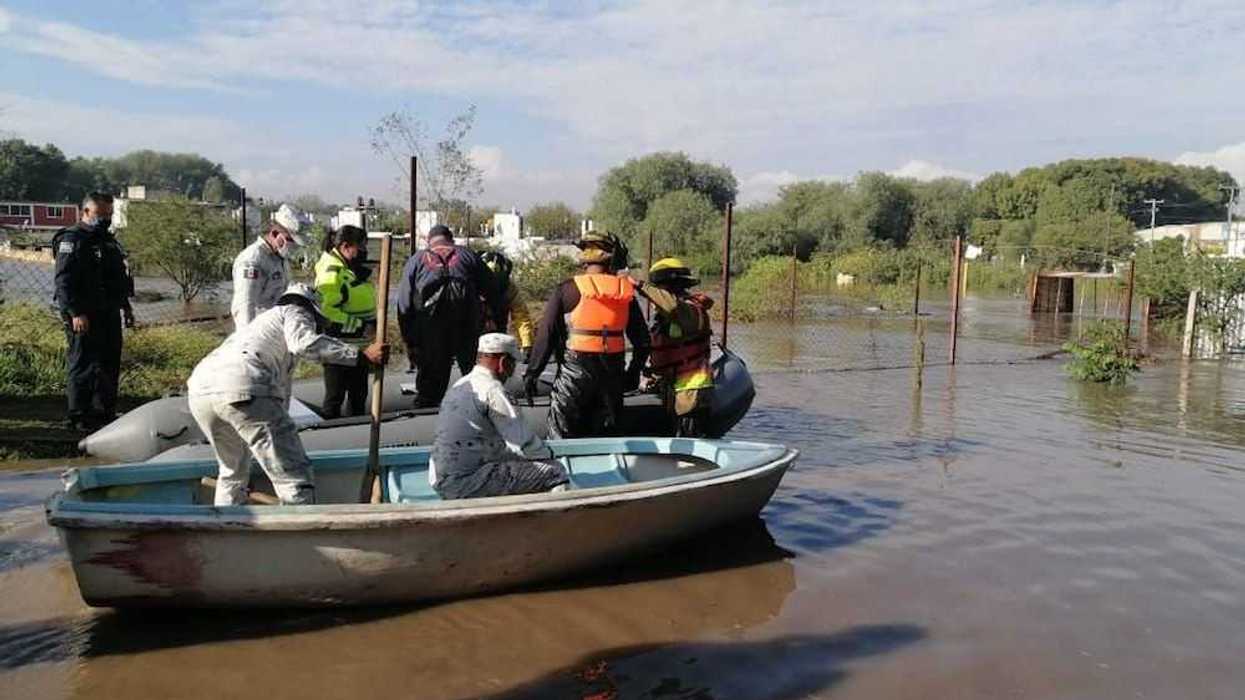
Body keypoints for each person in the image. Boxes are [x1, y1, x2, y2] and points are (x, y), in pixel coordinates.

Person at [188, 283, 388, 505]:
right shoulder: (295, 310)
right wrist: (360, 356)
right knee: (294, 477)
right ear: (311, 309)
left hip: (200, 389)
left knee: (232, 472)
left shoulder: (260, 327)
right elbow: (303, 343)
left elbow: (279, 401)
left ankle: (225, 530)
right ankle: (303, 535)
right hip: (242, 382)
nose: (317, 327)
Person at [523, 231, 649, 438]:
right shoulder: (625, 293)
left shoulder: (567, 289)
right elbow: (642, 342)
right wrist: (633, 373)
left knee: (562, 434)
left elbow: (547, 335)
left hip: (574, 373)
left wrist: (532, 373)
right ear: (612, 260)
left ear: (584, 260)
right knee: (608, 434)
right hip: (612, 373)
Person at [429, 333, 568, 499]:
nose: (511, 372)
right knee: (555, 472)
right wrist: (550, 457)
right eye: (513, 364)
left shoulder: (460, 385)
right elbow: (523, 444)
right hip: (467, 481)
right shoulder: (493, 390)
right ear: (503, 362)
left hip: (440, 480)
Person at [52, 192, 135, 430]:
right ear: (86, 212)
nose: (106, 219)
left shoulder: (108, 241)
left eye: (109, 214)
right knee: (83, 363)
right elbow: (64, 280)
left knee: (109, 362)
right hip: (83, 314)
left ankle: (104, 412)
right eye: (101, 214)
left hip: (109, 312)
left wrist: (126, 307)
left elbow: (118, 279)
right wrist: (75, 312)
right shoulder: (73, 239)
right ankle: (78, 415)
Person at [396, 224, 501, 408]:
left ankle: (428, 423)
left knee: (430, 389)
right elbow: (494, 290)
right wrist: (493, 325)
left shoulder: (417, 260)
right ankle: (484, 415)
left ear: (429, 241)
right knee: (477, 378)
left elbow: (404, 304)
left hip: (431, 332)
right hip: (467, 328)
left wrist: (410, 339)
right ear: (450, 239)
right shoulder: (468, 255)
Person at [637, 258, 715, 436]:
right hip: (675, 388)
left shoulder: (688, 310)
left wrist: (639, 286)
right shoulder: (667, 316)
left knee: (690, 442)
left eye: (659, 289)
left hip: (692, 390)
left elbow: (672, 306)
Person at [313, 225, 377, 418]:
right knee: (335, 398)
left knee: (358, 397)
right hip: (340, 348)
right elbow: (326, 312)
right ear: (345, 246)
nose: (364, 252)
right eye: (361, 247)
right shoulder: (331, 272)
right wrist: (360, 326)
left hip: (360, 348)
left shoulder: (348, 268)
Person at [231, 203, 311, 329]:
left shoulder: (280, 258)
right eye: (290, 241)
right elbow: (244, 308)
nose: (293, 247)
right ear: (274, 234)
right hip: (258, 333)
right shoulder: (253, 261)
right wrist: (248, 342)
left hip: (276, 329)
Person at [479, 250, 534, 359]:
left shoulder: (508, 287)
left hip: (498, 333)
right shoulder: (469, 284)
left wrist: (527, 344)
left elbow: (521, 316)